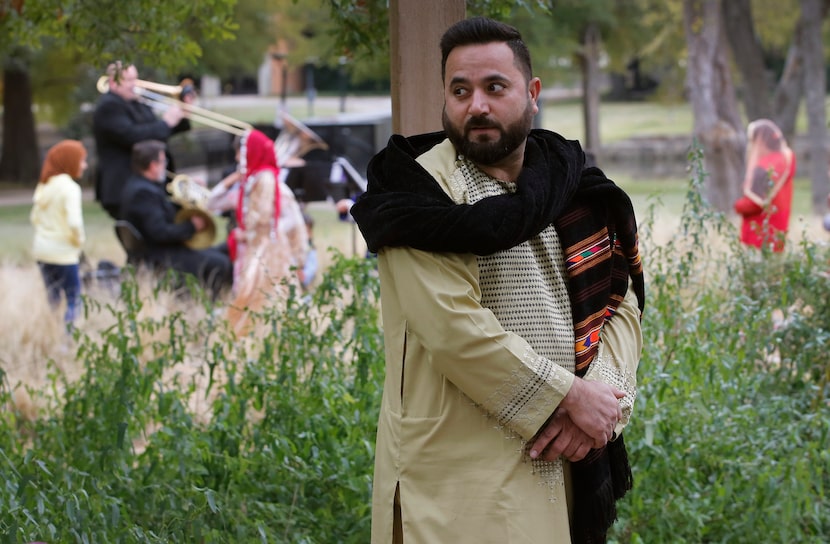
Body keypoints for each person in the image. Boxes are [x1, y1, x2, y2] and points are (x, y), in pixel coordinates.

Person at [350, 17, 645, 544]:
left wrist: (604, 397)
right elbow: (454, 330)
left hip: (562, 460)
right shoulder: (416, 194)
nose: (476, 106)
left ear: (531, 93)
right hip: (455, 484)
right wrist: (570, 399)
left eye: (494, 87)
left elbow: (618, 303)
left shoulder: (573, 187)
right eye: (459, 91)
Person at [119, 139, 232, 298]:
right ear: (153, 165)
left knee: (224, 251)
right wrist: (192, 226)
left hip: (163, 249)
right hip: (160, 255)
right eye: (163, 161)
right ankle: (208, 307)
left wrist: (190, 191)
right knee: (220, 263)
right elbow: (159, 232)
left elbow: (164, 211)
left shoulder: (143, 185)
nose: (165, 166)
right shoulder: (142, 193)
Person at [226, 129, 308, 334]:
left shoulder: (265, 178)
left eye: (242, 151)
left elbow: (262, 215)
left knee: (265, 288)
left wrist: (246, 229)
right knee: (257, 290)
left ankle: (265, 332)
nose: (239, 157)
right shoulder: (258, 177)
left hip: (266, 245)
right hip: (260, 242)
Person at [93, 61, 190, 219]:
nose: (135, 84)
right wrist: (166, 122)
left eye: (135, 78)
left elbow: (158, 132)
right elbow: (133, 136)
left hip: (145, 186)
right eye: (129, 80)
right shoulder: (109, 106)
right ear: (112, 82)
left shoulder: (136, 102)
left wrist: (182, 114)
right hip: (123, 187)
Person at [30, 140, 88, 326]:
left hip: (42, 251)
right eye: (81, 161)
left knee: (53, 297)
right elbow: (74, 222)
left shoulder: (44, 186)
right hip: (63, 253)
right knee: (74, 298)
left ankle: (53, 333)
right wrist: (79, 240)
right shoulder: (70, 188)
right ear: (69, 161)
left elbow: (34, 218)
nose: (85, 166)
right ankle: (68, 340)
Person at [733, 119, 796, 252]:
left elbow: (756, 202)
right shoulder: (786, 157)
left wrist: (738, 206)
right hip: (780, 224)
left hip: (759, 230)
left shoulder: (764, 167)